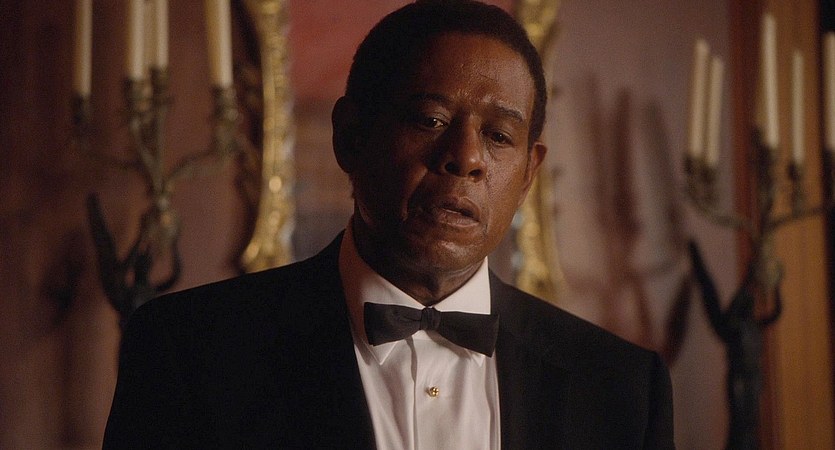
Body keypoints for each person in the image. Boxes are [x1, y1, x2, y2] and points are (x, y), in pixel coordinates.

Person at [103, 1, 674, 448]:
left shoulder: (622, 388)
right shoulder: (189, 352)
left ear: (528, 175)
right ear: (350, 137)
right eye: (431, 119)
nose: (465, 158)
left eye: (499, 135)